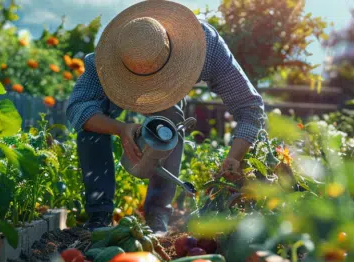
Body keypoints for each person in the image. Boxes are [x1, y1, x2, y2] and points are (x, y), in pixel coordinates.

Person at [66, 0, 265, 233]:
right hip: (115, 93)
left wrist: (235, 156)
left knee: (170, 121)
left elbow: (250, 107)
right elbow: (77, 108)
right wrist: (119, 127)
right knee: (91, 127)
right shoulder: (104, 61)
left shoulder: (205, 46)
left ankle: (157, 213)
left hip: (170, 99)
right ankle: (99, 213)